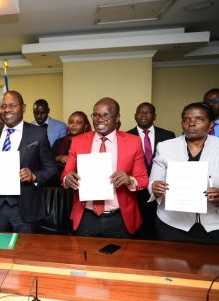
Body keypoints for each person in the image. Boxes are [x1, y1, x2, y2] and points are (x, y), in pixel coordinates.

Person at [62, 97, 148, 238]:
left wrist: (129, 180)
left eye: (106, 115)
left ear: (117, 117)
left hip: (120, 218)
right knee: (84, 258)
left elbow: (143, 180)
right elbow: (65, 174)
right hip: (86, 216)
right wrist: (67, 179)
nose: (100, 119)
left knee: (119, 259)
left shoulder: (133, 142)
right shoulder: (78, 141)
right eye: (96, 115)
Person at [0, 90, 57, 233]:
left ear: (23, 108)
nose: (7, 110)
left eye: (12, 105)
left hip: (25, 209)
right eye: (3, 106)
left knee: (25, 252)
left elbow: (51, 168)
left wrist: (34, 176)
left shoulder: (38, 134)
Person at [149, 102, 219, 244]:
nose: (191, 124)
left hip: (213, 225)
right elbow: (152, 182)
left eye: (199, 119)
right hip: (172, 224)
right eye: (186, 119)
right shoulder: (165, 147)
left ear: (211, 124)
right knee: (169, 264)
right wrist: (155, 188)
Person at [127, 102, 175, 239]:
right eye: (140, 112)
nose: (143, 115)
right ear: (135, 115)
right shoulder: (126, 136)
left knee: (157, 230)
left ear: (154, 116)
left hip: (160, 191)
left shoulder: (168, 135)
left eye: (148, 112)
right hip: (135, 192)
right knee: (137, 230)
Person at [52, 111, 92, 176]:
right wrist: (59, 157)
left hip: (82, 178)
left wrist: (72, 160)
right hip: (58, 179)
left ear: (85, 126)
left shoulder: (91, 142)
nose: (74, 125)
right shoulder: (59, 142)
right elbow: (48, 160)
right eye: (71, 122)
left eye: (78, 122)